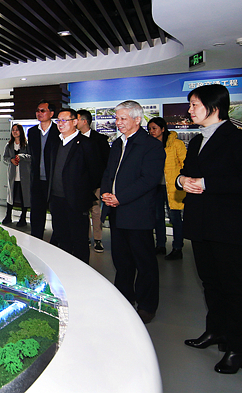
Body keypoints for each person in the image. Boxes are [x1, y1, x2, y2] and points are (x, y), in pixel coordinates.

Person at [177, 84, 242, 374]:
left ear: (214, 107)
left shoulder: (240, 140)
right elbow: (186, 173)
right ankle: (216, 331)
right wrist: (181, 181)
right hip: (201, 225)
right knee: (210, 283)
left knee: (234, 289)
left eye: (194, 105)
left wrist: (206, 184)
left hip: (230, 228)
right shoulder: (196, 141)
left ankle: (238, 349)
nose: (189, 110)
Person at [101, 100, 165, 324]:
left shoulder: (151, 146)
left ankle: (147, 305)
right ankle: (124, 299)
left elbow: (149, 180)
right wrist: (106, 192)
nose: (118, 122)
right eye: (116, 118)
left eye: (123, 118)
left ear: (137, 119)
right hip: (116, 211)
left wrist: (120, 197)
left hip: (137, 213)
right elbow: (109, 172)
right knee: (122, 261)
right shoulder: (117, 144)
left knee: (144, 262)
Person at [47, 108, 101, 264]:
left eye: (65, 120)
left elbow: (95, 173)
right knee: (62, 238)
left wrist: (82, 192)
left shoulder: (86, 144)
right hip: (56, 200)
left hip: (77, 201)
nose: (60, 124)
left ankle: (81, 273)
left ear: (75, 122)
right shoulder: (55, 143)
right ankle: (64, 270)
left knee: (79, 241)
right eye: (58, 120)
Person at [147, 117, 187, 260]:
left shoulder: (176, 144)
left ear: (163, 129)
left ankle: (177, 247)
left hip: (173, 187)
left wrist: (181, 181)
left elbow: (184, 163)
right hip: (156, 186)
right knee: (158, 217)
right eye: (149, 129)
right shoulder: (149, 146)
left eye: (154, 128)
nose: (152, 131)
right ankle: (160, 245)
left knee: (175, 217)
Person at [76, 109, 110, 253]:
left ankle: (97, 239)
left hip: (96, 183)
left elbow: (107, 162)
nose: (74, 122)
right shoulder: (74, 138)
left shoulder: (100, 139)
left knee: (96, 211)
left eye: (77, 119)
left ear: (85, 121)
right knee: (82, 212)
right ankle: (85, 237)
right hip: (79, 183)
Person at [27, 100, 61, 239]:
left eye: (43, 110)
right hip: (37, 179)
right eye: (37, 110)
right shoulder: (32, 132)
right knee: (36, 212)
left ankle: (57, 242)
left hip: (53, 180)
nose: (39, 113)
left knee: (57, 213)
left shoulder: (58, 131)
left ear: (51, 114)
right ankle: (36, 239)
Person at [1, 124, 31, 227]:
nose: (15, 132)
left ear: (21, 131)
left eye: (17, 130)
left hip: (24, 175)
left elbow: (31, 157)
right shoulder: (9, 145)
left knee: (24, 197)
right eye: (13, 130)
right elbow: (5, 158)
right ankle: (8, 216)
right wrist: (11, 160)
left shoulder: (26, 144)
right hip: (13, 175)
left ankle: (23, 218)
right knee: (11, 196)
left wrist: (22, 157)